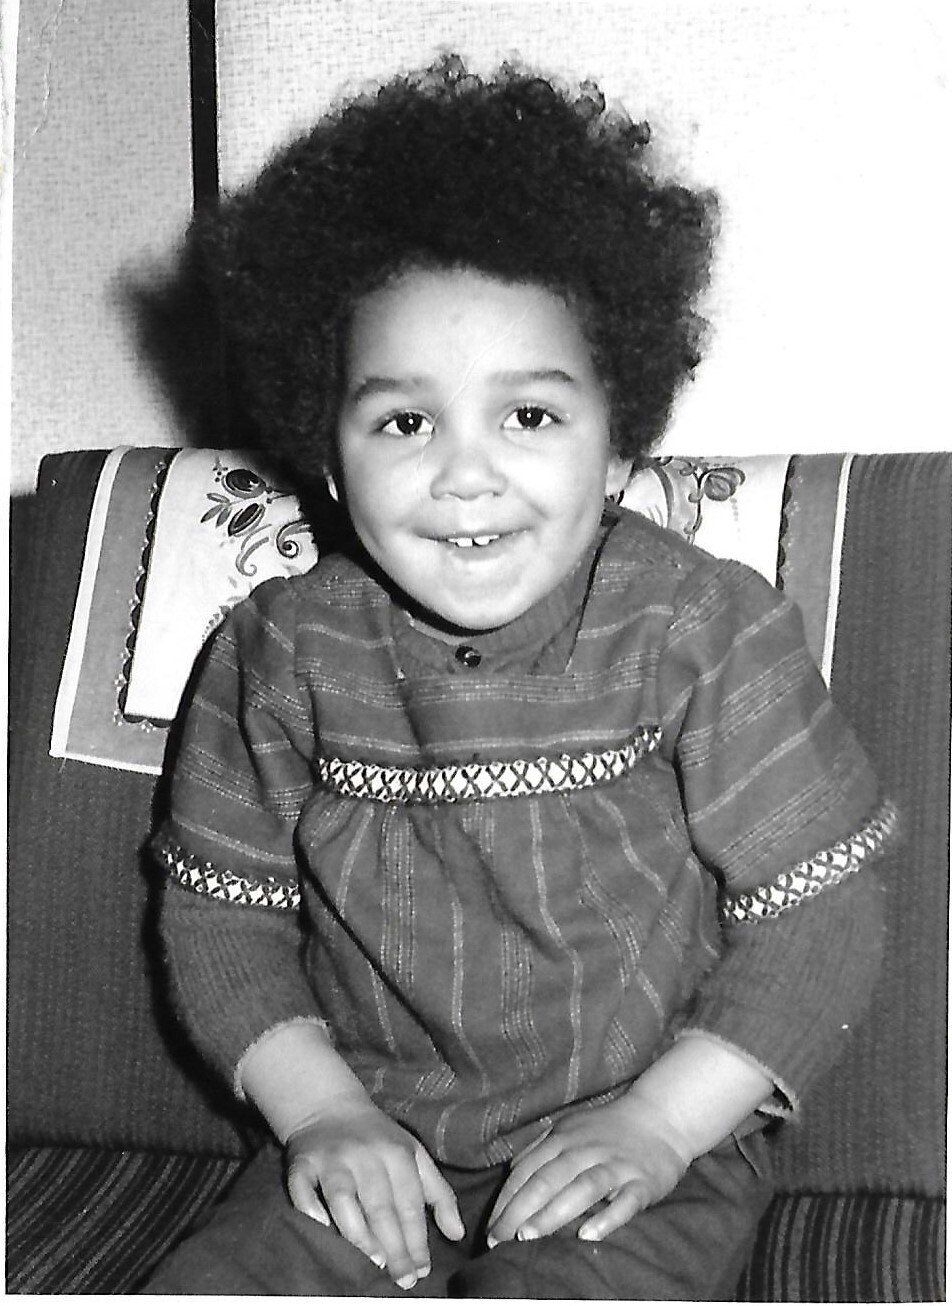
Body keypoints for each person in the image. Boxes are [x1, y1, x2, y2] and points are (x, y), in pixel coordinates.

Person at [143, 55, 895, 1298]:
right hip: (362, 1137)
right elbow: (222, 914)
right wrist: (323, 1114)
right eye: (404, 421)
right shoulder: (278, 651)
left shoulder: (699, 626)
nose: (466, 473)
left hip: (645, 1142)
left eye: (529, 416)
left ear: (619, 445)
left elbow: (819, 911)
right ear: (326, 458)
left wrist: (658, 1125)